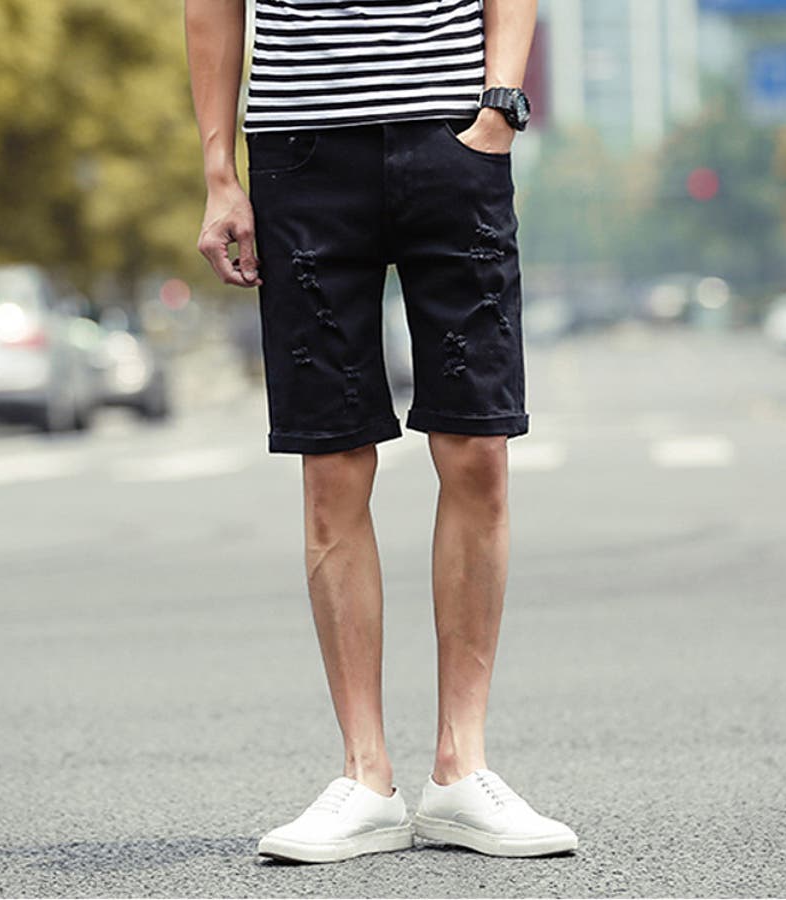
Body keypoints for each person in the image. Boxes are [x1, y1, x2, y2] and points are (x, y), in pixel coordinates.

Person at [185, 0, 578, 864]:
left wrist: (499, 105)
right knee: (331, 464)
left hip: (454, 139)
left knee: (477, 449)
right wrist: (220, 173)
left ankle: (461, 768)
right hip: (300, 153)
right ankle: (366, 778)